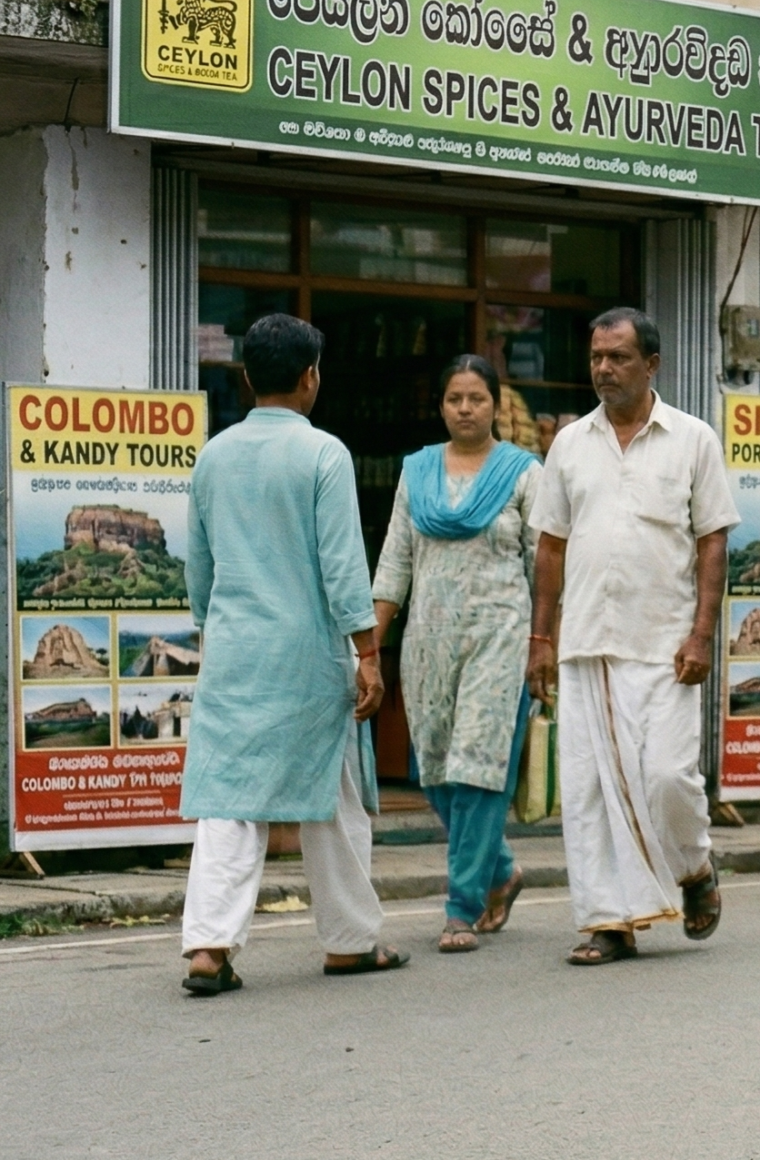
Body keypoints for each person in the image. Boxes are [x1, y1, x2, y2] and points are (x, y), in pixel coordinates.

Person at [178, 314, 405, 994]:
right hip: (307, 653)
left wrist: (208, 627)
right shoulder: (324, 455)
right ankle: (348, 941)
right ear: (310, 378)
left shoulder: (213, 455)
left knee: (229, 798)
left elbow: (199, 567)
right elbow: (342, 566)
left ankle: (208, 948)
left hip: (235, 652)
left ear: (246, 377)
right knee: (335, 798)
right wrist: (367, 652)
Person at [526, 307, 737, 966]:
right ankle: (606, 921)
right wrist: (540, 638)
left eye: (617, 357)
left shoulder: (693, 439)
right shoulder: (569, 443)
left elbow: (712, 543)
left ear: (652, 365)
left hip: (669, 644)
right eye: (596, 357)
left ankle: (694, 869)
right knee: (588, 790)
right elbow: (550, 547)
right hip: (588, 641)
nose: (604, 369)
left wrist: (703, 632)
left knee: (669, 777)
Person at [372, 354, 542, 954]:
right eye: (454, 399)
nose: (465, 409)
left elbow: (541, 567)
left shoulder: (524, 473)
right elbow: (395, 562)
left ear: (496, 405)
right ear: (441, 405)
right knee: (437, 769)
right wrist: (372, 645)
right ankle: (501, 871)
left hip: (501, 636)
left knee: (479, 765)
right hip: (429, 640)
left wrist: (542, 643)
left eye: (476, 398)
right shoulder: (417, 472)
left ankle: (460, 906)